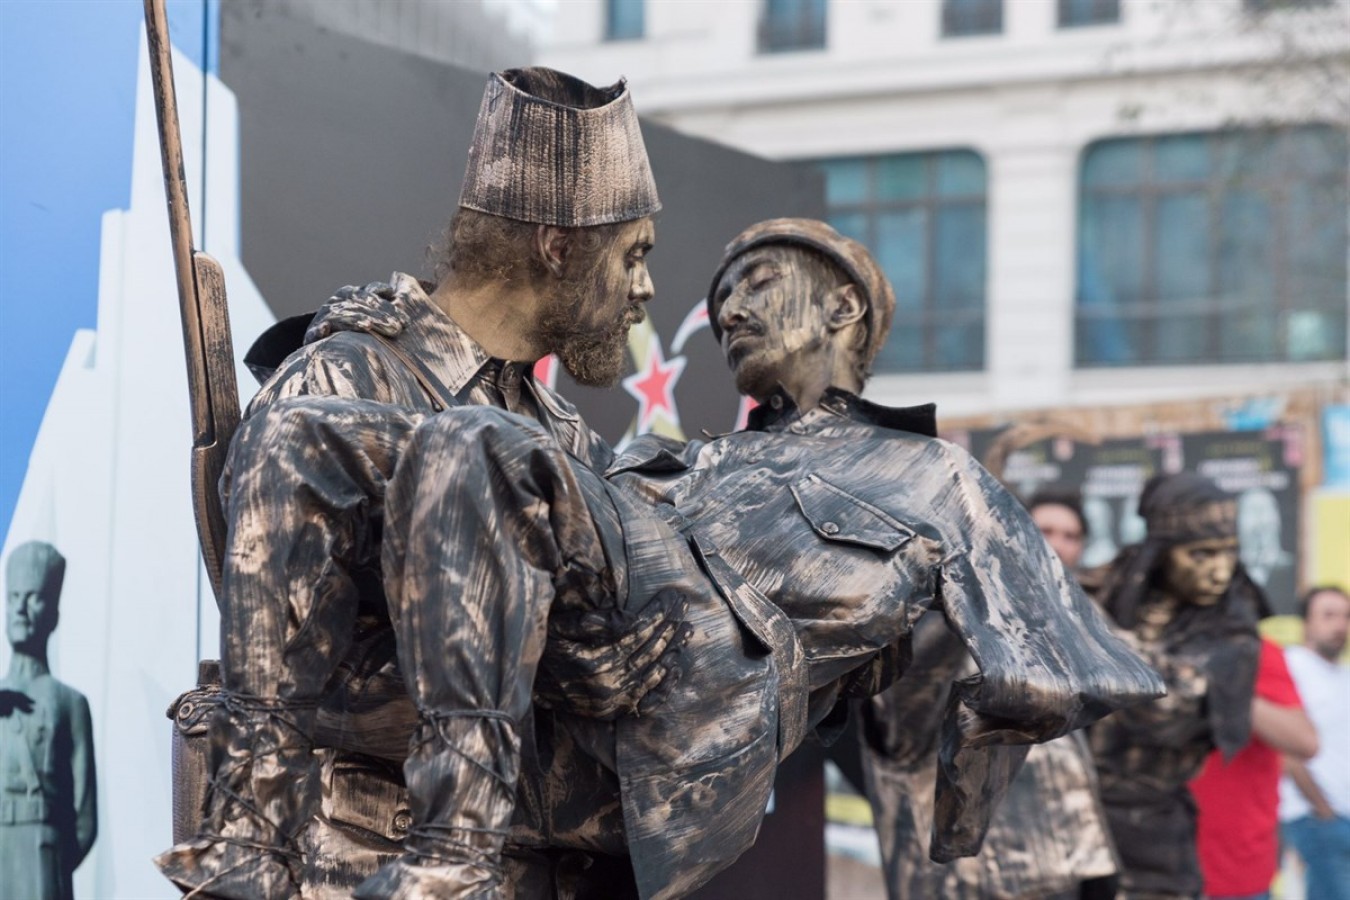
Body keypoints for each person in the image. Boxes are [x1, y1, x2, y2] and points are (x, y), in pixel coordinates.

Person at [344, 218, 1163, 898]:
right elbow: (520, 509)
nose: (731, 309)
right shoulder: (679, 458)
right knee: (326, 430)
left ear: (843, 306)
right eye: (724, 295)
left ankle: (453, 848)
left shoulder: (935, 475)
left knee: (481, 439)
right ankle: (256, 772)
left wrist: (961, 781)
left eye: (757, 284)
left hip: (694, 725)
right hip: (559, 719)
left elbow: (1068, 667)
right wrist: (411, 341)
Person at [156, 66, 683, 900]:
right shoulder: (339, 389)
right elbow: (290, 683)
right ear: (559, 245)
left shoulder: (569, 440)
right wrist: (556, 671)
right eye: (634, 256)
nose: (645, 289)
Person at [860, 484, 1122, 899]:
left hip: (1064, 862)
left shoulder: (1082, 620)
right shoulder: (933, 614)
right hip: (963, 873)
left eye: (1070, 536)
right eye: (1045, 530)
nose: (1056, 545)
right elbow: (899, 722)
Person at [1087, 474, 1266, 900]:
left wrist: (1089, 626)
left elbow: (1165, 709)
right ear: (1162, 552)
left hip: (1153, 828)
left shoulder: (1234, 632)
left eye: (1229, 553)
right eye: (1201, 554)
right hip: (1068, 818)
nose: (1220, 571)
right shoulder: (1110, 589)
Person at [0, 541, 97, 900]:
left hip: (45, 859)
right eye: (13, 598)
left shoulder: (70, 703)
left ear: (53, 614)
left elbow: (84, 819)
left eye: (33, 597)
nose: (20, 609)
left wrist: (54, 862)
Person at [1190, 635, 1317, 900]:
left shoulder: (1254, 650)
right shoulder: (1132, 638)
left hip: (1236, 872)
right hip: (1149, 864)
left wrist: (1224, 688)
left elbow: (1305, 741)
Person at [1279, 585, 1350, 900]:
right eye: (1329, 615)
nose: (1339, 625)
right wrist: (1321, 809)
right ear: (1306, 622)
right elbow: (1284, 745)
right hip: (1314, 818)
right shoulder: (1292, 667)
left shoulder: (1344, 675)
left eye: (1346, 617)